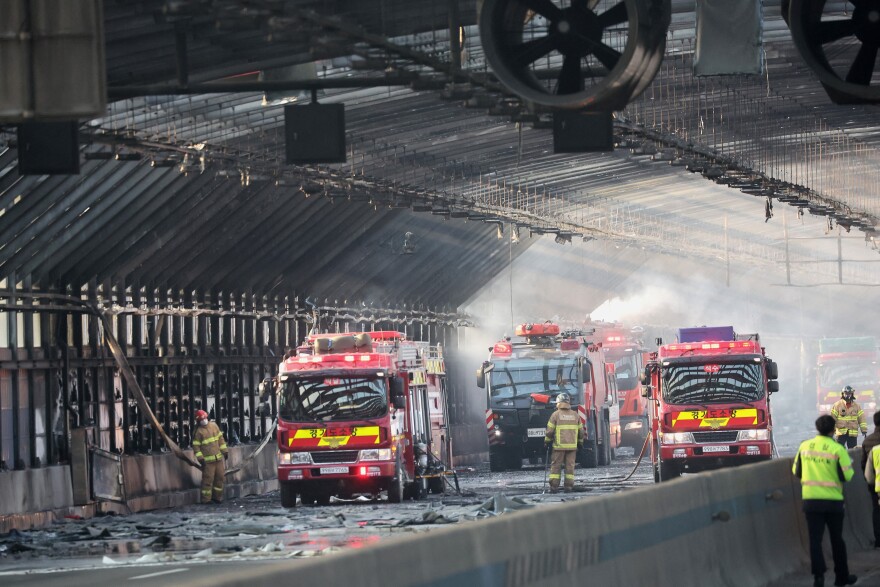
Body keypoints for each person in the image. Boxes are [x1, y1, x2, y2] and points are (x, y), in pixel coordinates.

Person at [792, 414, 857, 587]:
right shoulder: (837, 449)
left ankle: (818, 577)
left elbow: (796, 472)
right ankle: (841, 577)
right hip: (833, 501)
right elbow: (848, 475)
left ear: (817, 428)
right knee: (837, 540)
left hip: (811, 501)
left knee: (815, 540)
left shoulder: (804, 447)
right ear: (833, 429)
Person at [544, 393, 583, 494]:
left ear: (558, 402)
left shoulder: (555, 415)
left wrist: (547, 442)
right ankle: (568, 487)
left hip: (558, 447)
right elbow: (581, 432)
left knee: (556, 467)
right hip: (572, 447)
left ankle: (554, 488)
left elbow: (549, 431)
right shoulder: (575, 415)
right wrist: (580, 443)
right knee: (570, 468)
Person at [192, 409, 229, 504]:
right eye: (201, 419)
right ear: (198, 421)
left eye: (204, 418)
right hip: (208, 462)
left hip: (218, 459)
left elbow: (221, 439)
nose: (204, 420)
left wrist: (225, 451)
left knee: (220, 479)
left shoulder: (214, 426)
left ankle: (217, 498)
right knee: (207, 481)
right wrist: (201, 460)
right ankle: (206, 500)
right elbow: (196, 447)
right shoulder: (198, 432)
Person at [861, 410, 880, 548]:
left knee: (877, 511)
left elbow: (864, 466)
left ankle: (878, 540)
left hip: (876, 485)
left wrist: (870, 483)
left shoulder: (868, 441)